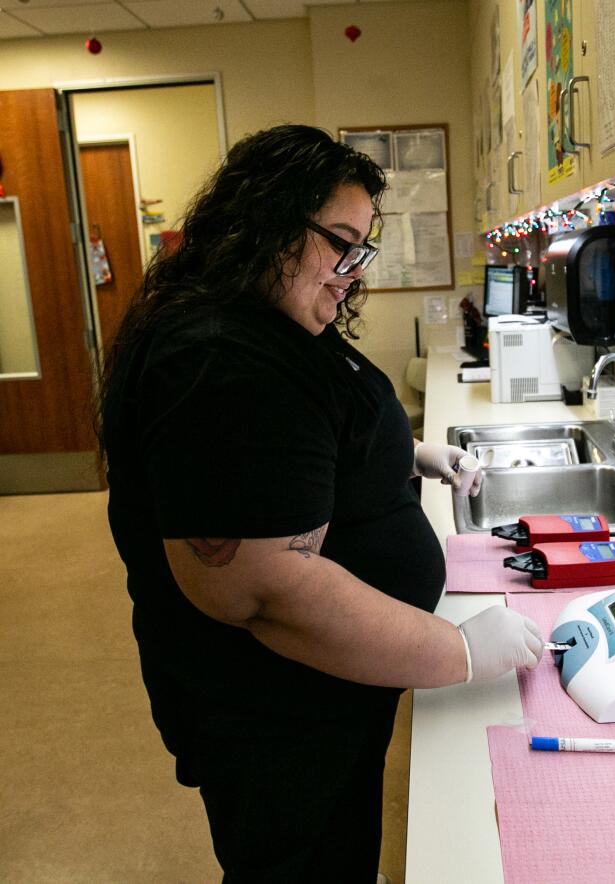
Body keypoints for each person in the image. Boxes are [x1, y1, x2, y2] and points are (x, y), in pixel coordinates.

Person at [98, 124, 543, 882]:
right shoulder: (219, 359)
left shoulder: (273, 318)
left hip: (329, 695)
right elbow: (262, 589)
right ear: (266, 223)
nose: (352, 272)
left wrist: (403, 459)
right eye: (340, 242)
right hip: (275, 718)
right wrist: (459, 653)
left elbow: (313, 439)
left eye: (362, 249)